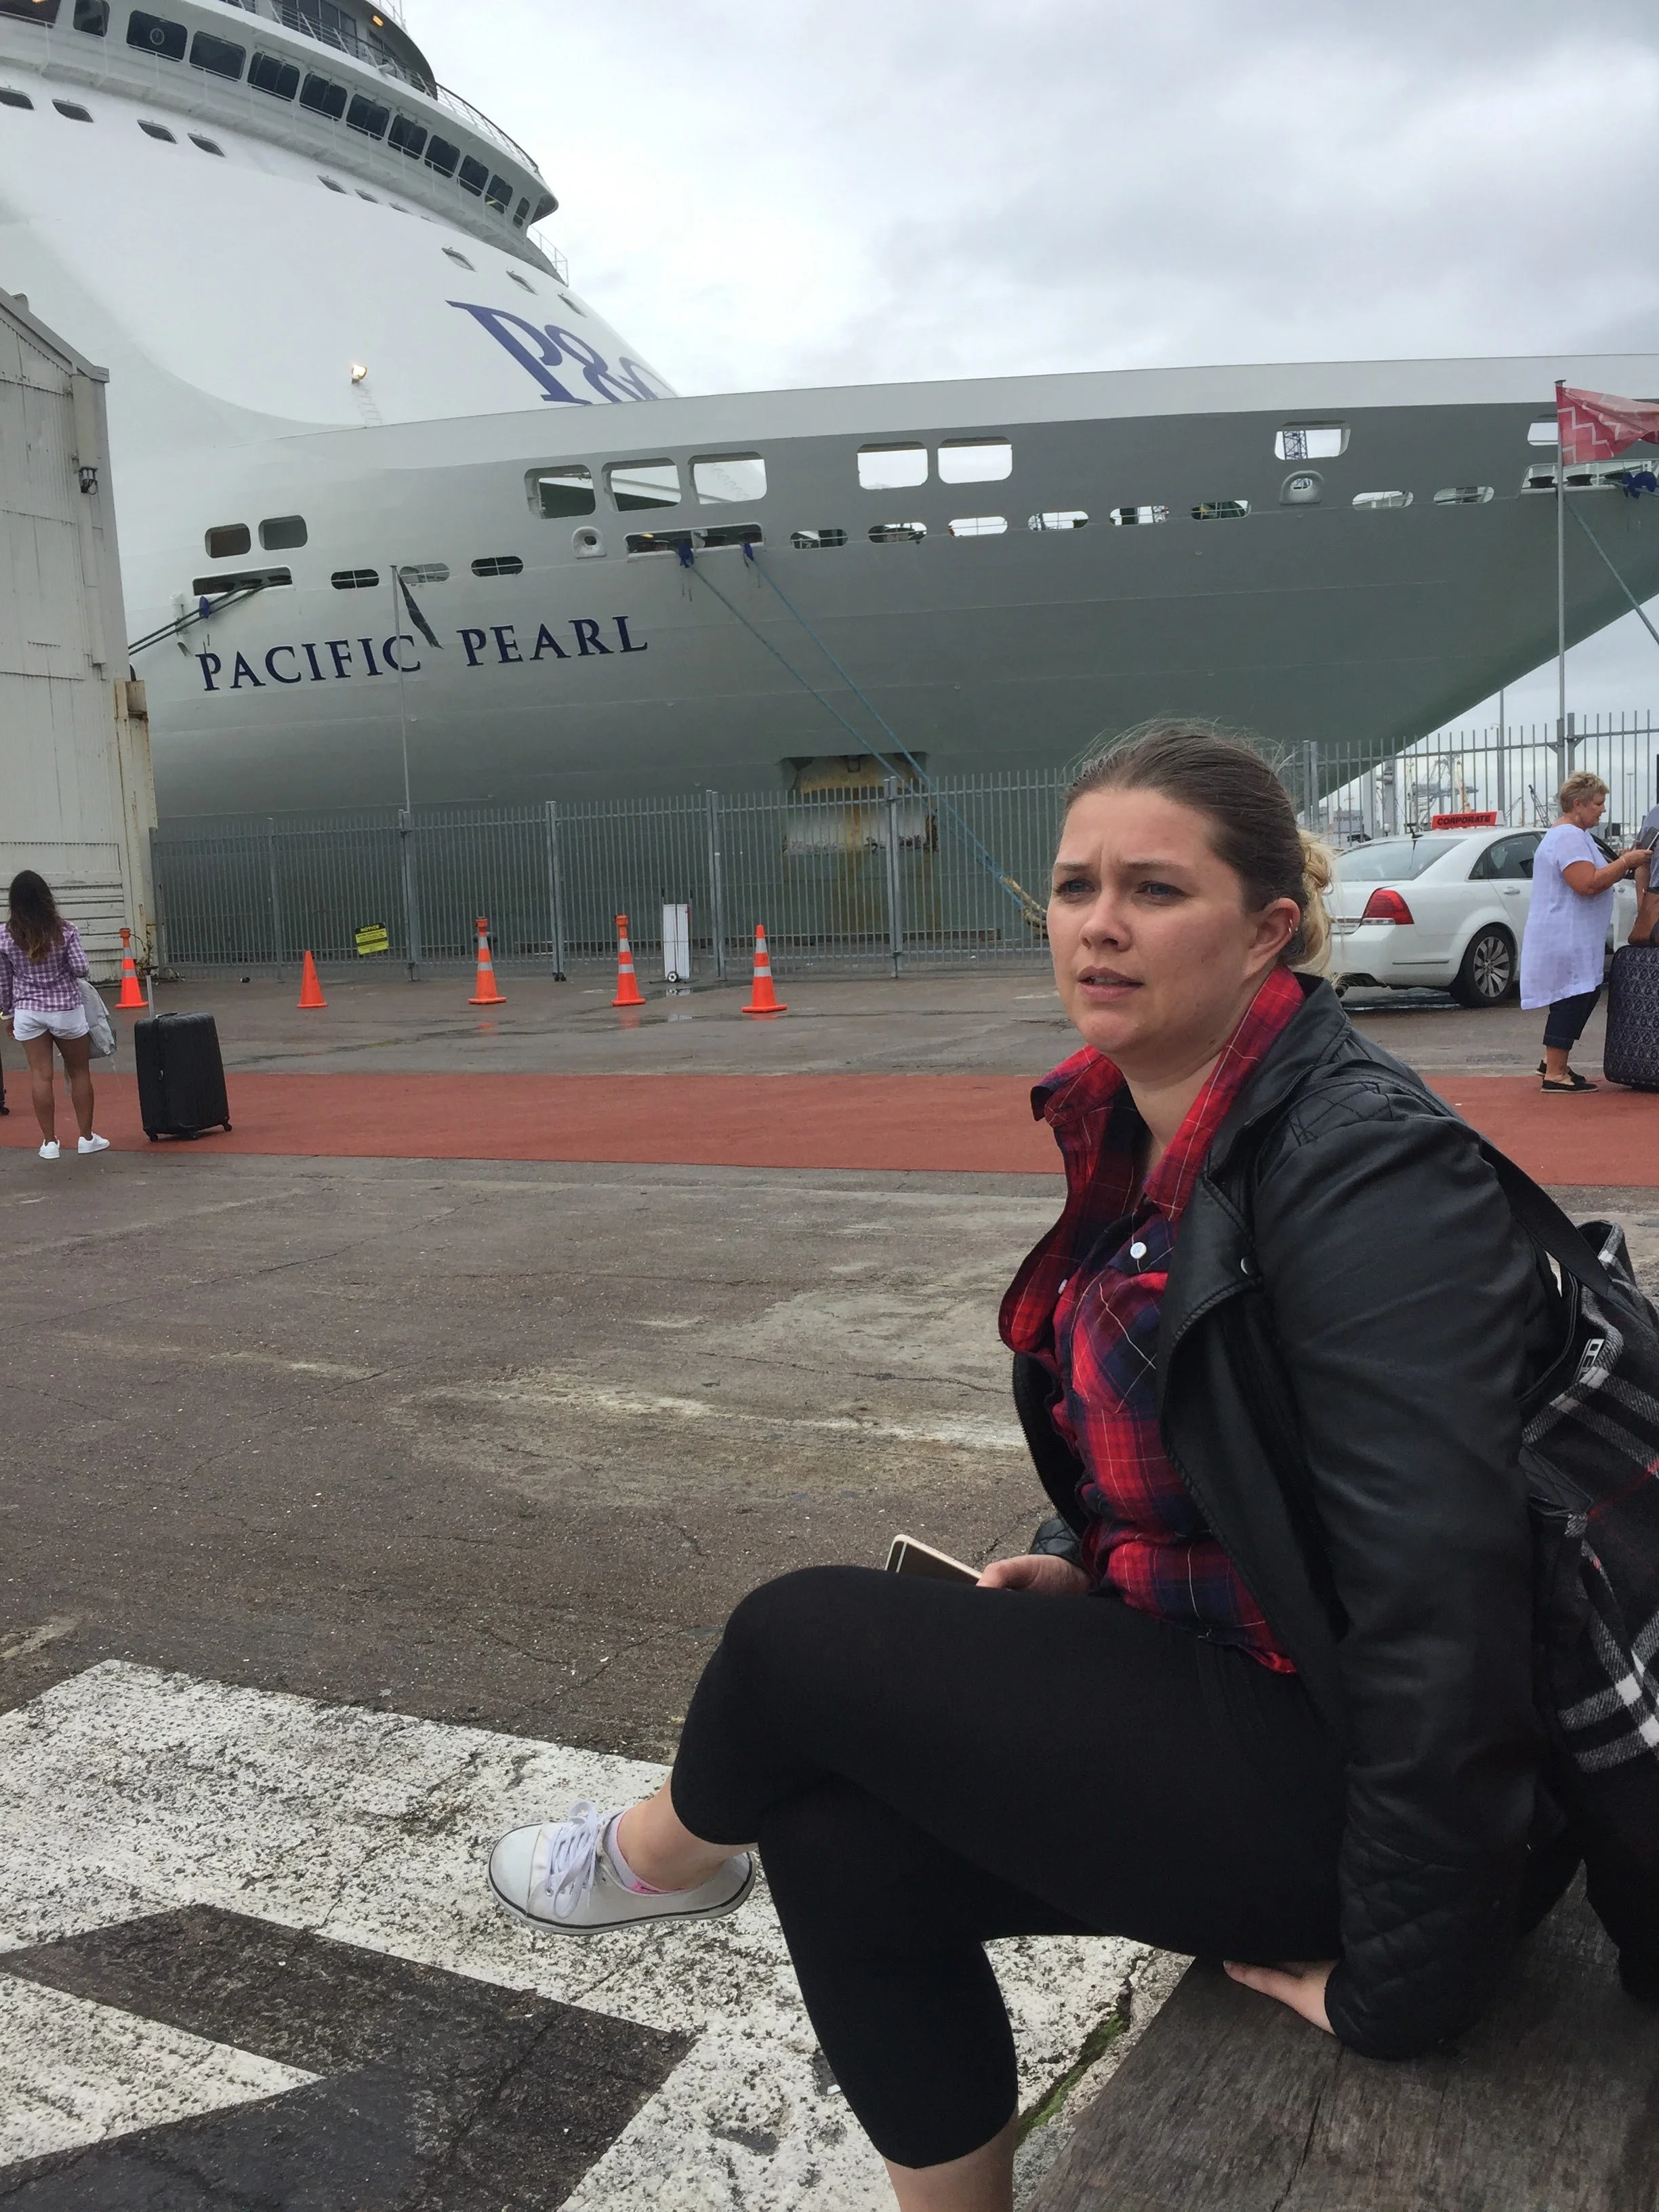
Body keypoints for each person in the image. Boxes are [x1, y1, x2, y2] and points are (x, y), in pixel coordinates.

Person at [487, 721, 1571, 2212]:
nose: (1100, 924)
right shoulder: (1153, 1137)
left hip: (1363, 1793)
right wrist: (1091, 1572)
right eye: (1074, 887)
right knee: (835, 1834)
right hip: (1249, 1698)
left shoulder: (1359, 1166)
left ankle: (657, 1857)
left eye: (1153, 891)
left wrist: (1412, 1977)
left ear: (1270, 931)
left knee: (794, 1640)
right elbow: (1241, 1479)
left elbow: (1448, 1594)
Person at [1519, 772, 1650, 1092]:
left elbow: (1597, 874)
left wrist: (1623, 862)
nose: (1602, 810)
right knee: (1573, 995)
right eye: (1598, 804)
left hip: (1572, 936)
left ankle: (1551, 1062)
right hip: (1567, 935)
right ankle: (1555, 1072)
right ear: (1578, 805)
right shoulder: (1568, 837)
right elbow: (1587, 883)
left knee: (1582, 992)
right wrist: (1627, 862)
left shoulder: (1576, 835)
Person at [0, 870, 110, 1161]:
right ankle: (87, 1138)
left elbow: (4, 980)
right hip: (65, 1010)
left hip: (27, 1011)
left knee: (40, 1076)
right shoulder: (65, 930)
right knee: (79, 1072)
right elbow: (81, 969)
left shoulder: (5, 935)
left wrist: (7, 1014)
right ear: (46, 898)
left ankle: (49, 1143)